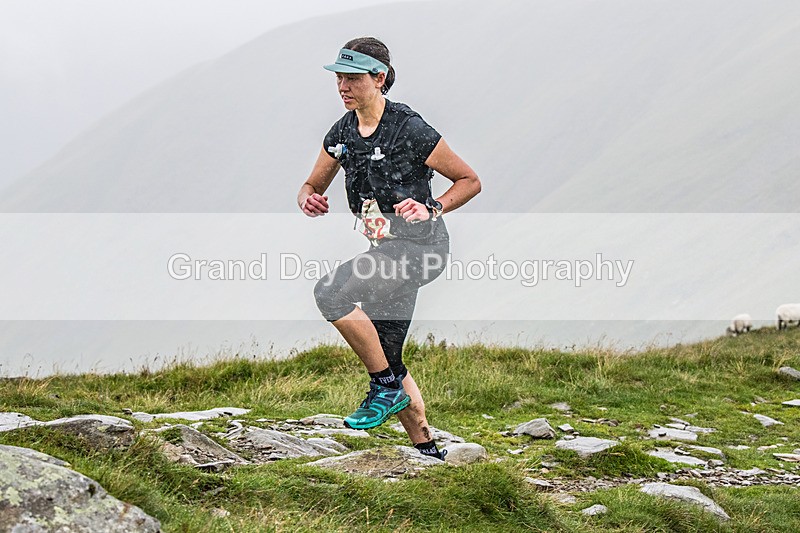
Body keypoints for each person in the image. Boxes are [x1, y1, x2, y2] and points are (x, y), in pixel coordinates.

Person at [297, 37, 480, 461]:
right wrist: (308, 197)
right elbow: (312, 184)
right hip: (386, 252)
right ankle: (427, 449)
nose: (343, 86)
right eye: (339, 78)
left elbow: (470, 180)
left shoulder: (409, 128)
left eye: (353, 78)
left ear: (379, 78)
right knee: (387, 352)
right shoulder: (341, 133)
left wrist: (432, 206)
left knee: (330, 292)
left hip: (421, 250)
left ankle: (383, 387)